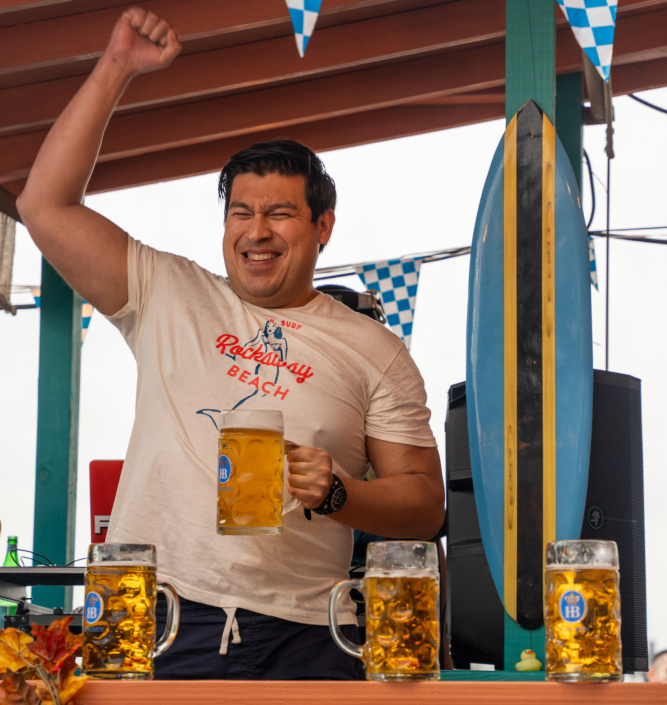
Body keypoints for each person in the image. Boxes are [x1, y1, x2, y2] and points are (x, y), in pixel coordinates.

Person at [16, 7, 445, 681]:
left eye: (279, 212)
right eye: (240, 212)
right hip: (150, 611)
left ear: (321, 225)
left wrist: (339, 492)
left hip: (306, 628)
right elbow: (44, 206)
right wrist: (117, 66)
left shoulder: (376, 349)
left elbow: (424, 504)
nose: (257, 230)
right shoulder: (167, 290)